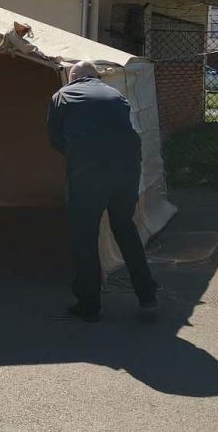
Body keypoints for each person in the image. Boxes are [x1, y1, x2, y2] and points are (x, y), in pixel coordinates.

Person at [47, 60, 157, 322]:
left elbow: (55, 139)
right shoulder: (116, 95)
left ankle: (90, 303)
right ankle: (147, 293)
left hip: (88, 176)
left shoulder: (62, 96)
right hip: (126, 172)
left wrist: (80, 155)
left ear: (73, 79)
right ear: (96, 77)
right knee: (125, 228)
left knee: (84, 237)